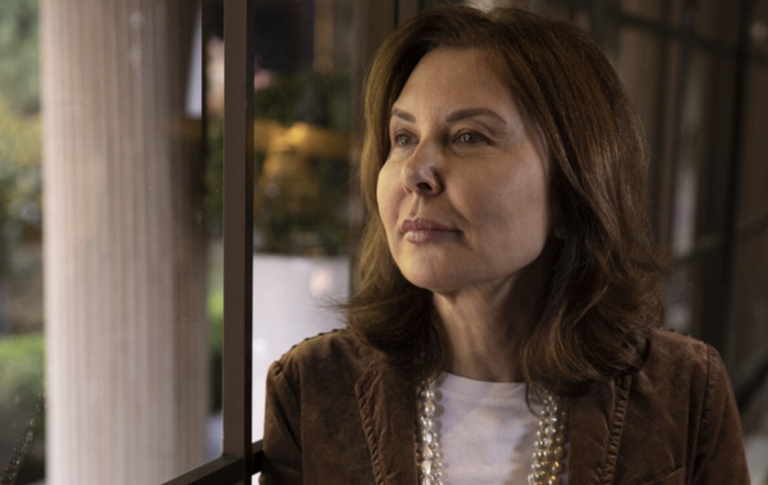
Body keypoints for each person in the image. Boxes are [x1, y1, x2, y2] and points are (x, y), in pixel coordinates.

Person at [260, 6, 751, 485]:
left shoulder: (685, 389)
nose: (415, 172)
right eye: (404, 137)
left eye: (468, 137)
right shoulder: (313, 387)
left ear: (572, 186)